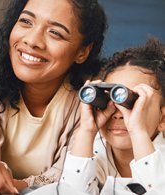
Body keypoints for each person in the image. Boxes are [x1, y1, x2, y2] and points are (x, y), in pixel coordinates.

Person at [0, 0, 107, 194]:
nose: (32, 40)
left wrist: (16, 185)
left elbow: (75, 179)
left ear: (82, 51)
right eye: (26, 21)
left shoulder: (94, 96)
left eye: (55, 33)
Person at [60, 38, 165, 194]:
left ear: (162, 119)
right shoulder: (93, 148)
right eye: (109, 99)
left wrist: (137, 130)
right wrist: (86, 131)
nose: (119, 115)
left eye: (134, 103)